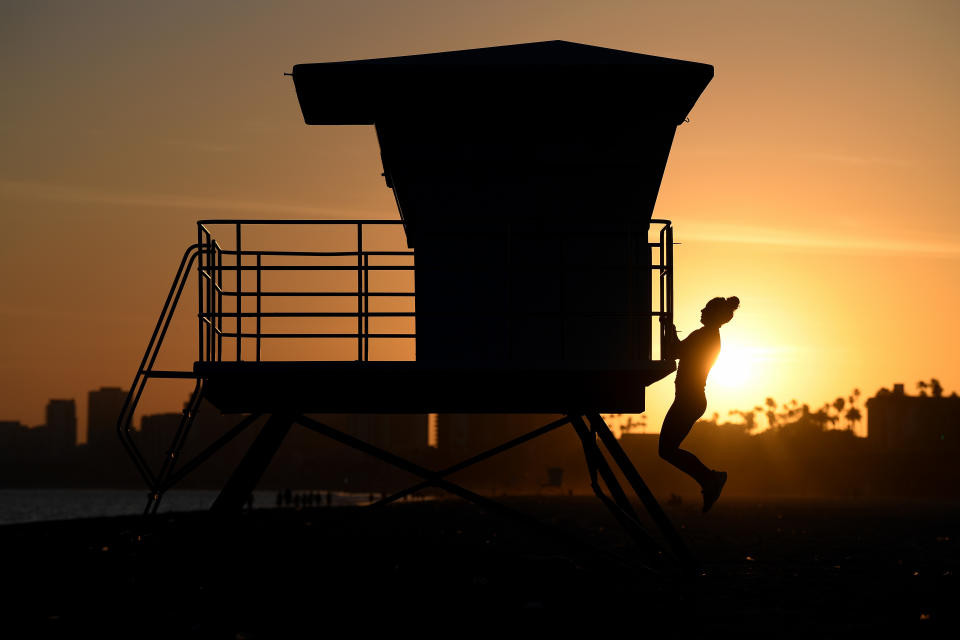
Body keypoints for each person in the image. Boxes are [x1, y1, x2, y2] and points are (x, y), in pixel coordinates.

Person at [660, 296, 740, 513]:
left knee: (666, 450)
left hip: (689, 400)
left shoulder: (705, 336)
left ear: (714, 315)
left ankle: (710, 478)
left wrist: (668, 328)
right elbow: (678, 352)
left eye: (706, 309)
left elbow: (675, 352)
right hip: (690, 399)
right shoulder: (708, 336)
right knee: (667, 450)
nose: (701, 310)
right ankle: (709, 479)